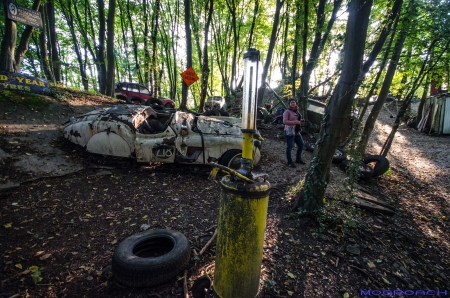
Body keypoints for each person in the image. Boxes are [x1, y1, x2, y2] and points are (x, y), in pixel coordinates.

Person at [283, 98, 305, 167]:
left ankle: (298, 159)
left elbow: (297, 119)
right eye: (291, 102)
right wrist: (297, 122)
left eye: (294, 102)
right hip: (289, 131)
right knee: (290, 146)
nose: (293, 103)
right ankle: (289, 162)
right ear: (289, 104)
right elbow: (285, 122)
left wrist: (301, 121)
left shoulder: (296, 111)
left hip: (297, 131)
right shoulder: (287, 111)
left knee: (301, 145)